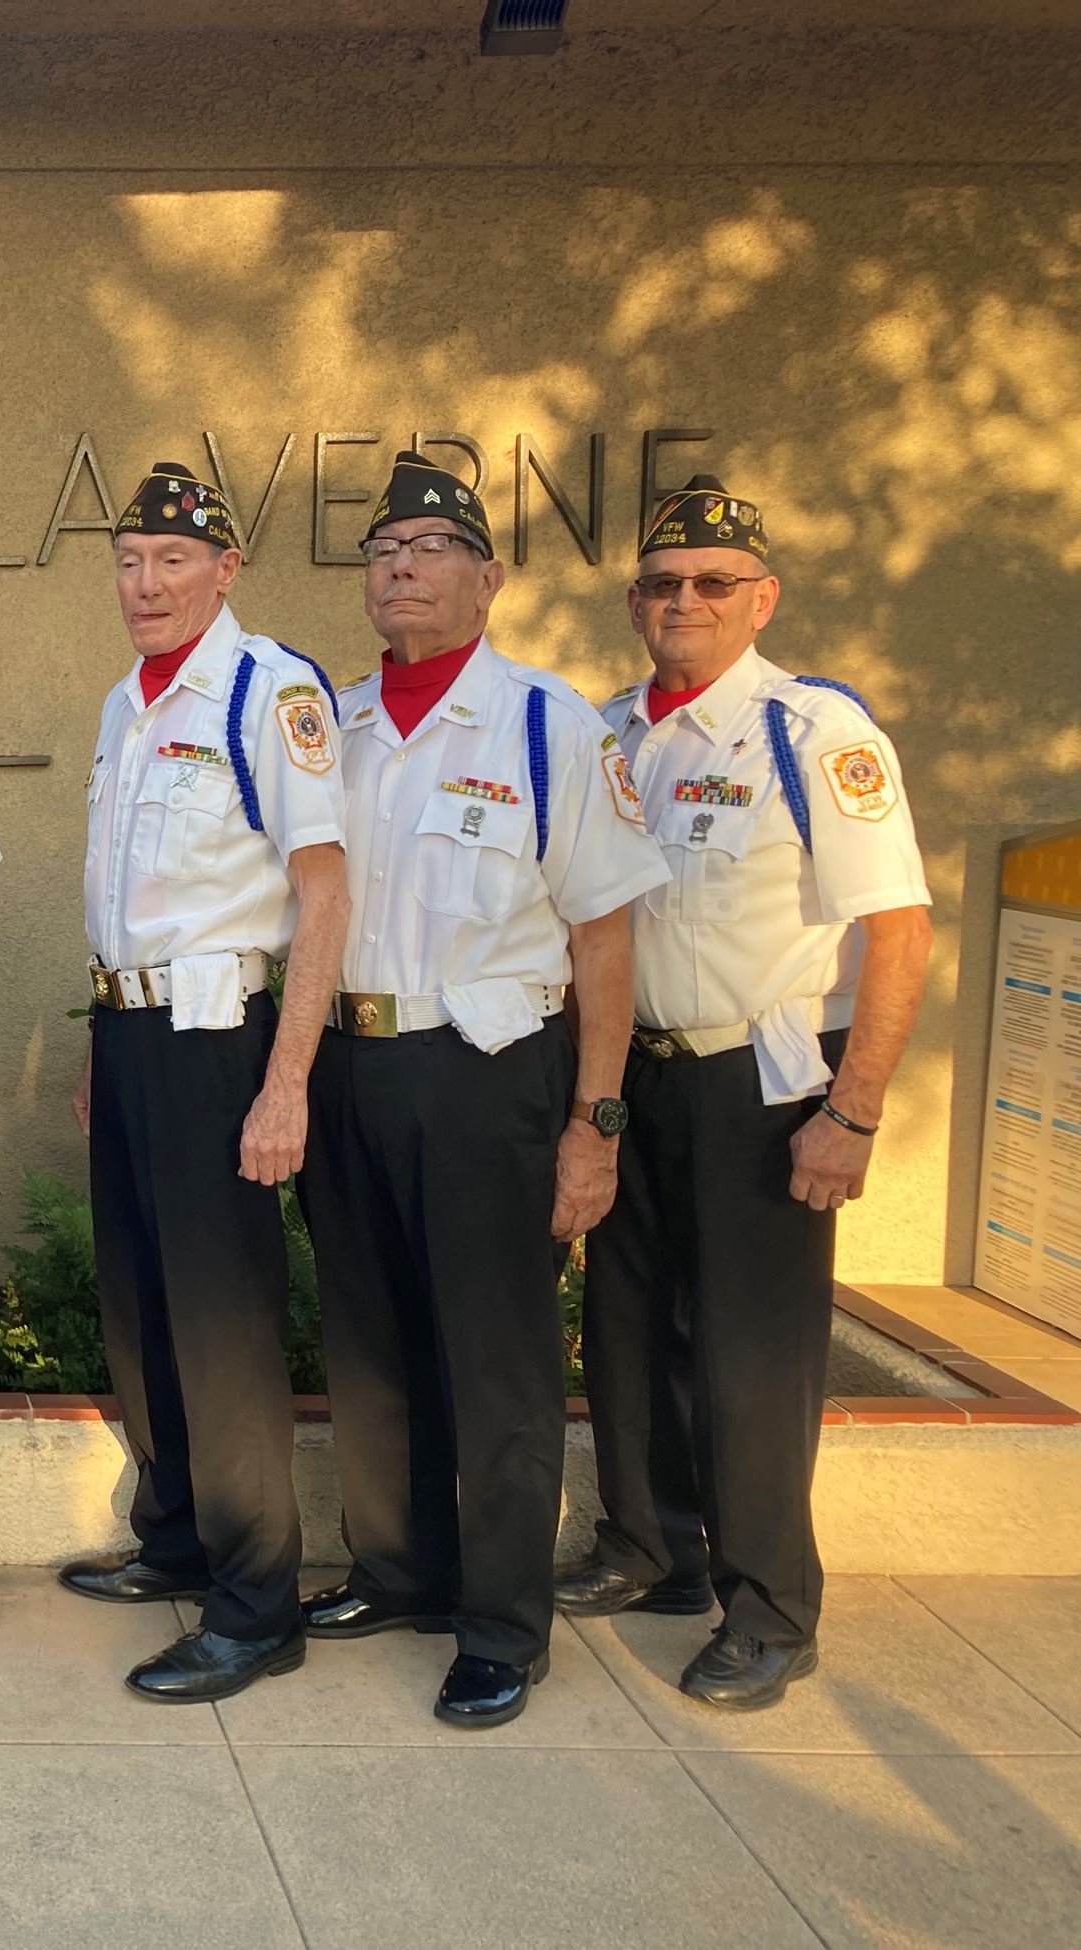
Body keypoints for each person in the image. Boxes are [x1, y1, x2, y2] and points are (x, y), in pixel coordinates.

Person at [297, 453, 668, 1728]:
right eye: (381, 548)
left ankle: (500, 1621)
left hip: (487, 1072)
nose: (399, 566)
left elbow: (603, 942)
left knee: (496, 1357)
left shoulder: (544, 726)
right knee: (370, 1337)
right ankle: (397, 1570)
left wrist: (593, 1125)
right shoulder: (328, 724)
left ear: (486, 577)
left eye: (428, 546)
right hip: (348, 1064)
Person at [553, 478, 933, 1710]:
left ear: (759, 598)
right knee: (622, 1328)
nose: (683, 602)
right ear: (631, 602)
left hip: (760, 1087)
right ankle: (647, 1544)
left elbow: (899, 930)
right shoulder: (612, 732)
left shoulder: (810, 732)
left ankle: (769, 1606)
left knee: (751, 1356)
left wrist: (853, 1110)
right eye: (662, 584)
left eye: (713, 582)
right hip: (633, 1075)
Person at [60, 462, 351, 1704]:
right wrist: (96, 1049)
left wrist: (286, 1082)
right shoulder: (131, 700)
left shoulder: (266, 689)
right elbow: (120, 907)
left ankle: (252, 1604)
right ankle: (175, 1533)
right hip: (133, 1041)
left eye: (170, 561)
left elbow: (324, 893)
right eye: (128, 562)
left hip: (221, 1040)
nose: (144, 584)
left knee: (224, 1326)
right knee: (141, 1307)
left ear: (223, 570)